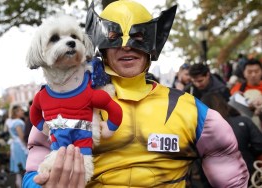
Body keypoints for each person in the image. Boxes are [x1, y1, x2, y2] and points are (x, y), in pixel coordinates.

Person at [22, 1, 249, 187]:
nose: (126, 46)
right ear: (100, 44)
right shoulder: (64, 100)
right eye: (113, 35)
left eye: (138, 36)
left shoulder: (186, 108)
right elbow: (34, 169)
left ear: (152, 44)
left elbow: (227, 168)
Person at [201, 93, 262, 186]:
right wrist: (246, 154)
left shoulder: (201, 132)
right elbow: (259, 144)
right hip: (247, 174)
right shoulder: (243, 121)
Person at [8, 105, 28, 188]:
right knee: (23, 167)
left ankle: (20, 184)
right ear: (16, 112)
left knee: (20, 170)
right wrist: (27, 145)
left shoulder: (11, 121)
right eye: (21, 110)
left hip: (15, 145)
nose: (23, 112)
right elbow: (21, 136)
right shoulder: (18, 122)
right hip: (20, 146)